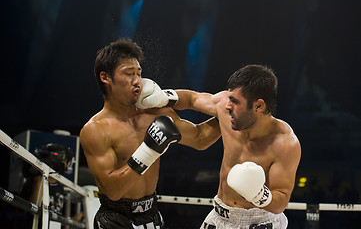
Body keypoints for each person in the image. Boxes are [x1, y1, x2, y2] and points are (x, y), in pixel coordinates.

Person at [136, 64, 301, 229]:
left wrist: (259, 195)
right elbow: (193, 99)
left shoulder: (285, 143)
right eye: (230, 98)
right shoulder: (226, 106)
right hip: (220, 215)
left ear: (259, 106)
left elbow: (281, 201)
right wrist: (163, 97)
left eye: (235, 102)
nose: (228, 106)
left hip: (260, 220)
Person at [79, 38, 220, 229]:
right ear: (105, 77)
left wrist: (231, 115)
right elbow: (113, 191)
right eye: (128, 74)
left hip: (152, 215)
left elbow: (200, 138)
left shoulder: (155, 113)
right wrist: (149, 151)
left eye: (139, 73)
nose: (137, 80)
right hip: (115, 220)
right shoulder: (95, 129)